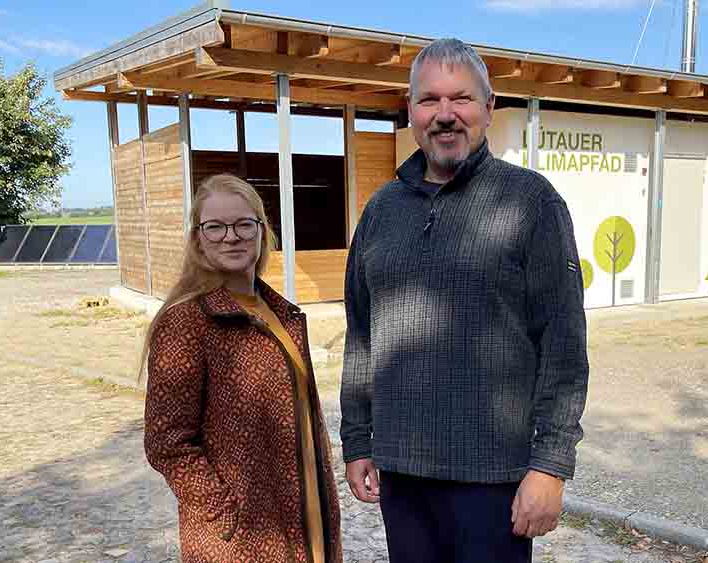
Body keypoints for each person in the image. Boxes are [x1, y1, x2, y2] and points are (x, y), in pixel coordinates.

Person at [340, 38, 590, 563]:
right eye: (429, 100)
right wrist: (359, 441)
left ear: (488, 107)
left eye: (462, 99)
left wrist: (549, 466)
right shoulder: (381, 211)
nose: (445, 115)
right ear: (410, 111)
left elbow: (563, 346)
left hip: (493, 481)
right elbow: (361, 335)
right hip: (403, 477)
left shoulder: (531, 203)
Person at [142, 174, 341, 563]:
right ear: (198, 238)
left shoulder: (281, 313)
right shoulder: (186, 321)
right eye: (215, 226)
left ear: (262, 232)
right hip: (242, 538)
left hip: (303, 513)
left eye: (243, 224)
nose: (230, 236)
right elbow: (166, 442)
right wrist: (225, 514)